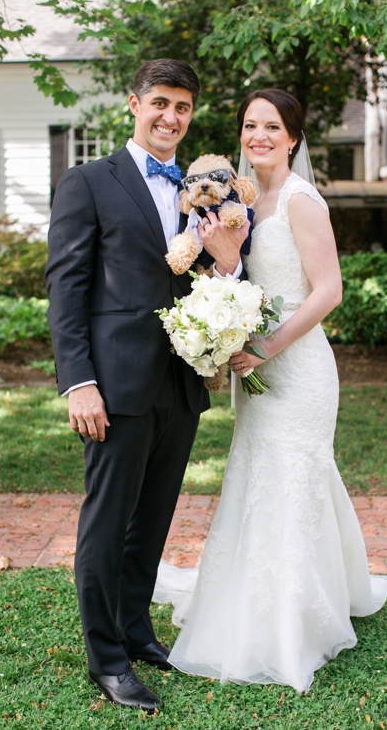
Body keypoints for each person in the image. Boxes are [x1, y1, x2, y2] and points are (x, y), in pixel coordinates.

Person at [153, 88, 387, 692]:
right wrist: (223, 298)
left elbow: (327, 291)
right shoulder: (239, 201)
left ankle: (293, 620)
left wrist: (267, 346)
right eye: (250, 125)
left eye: (272, 127)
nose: (259, 135)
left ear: (292, 137)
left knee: (292, 474)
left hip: (300, 366)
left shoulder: (303, 202)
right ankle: (264, 593)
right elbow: (239, 277)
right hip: (252, 365)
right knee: (259, 473)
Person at [45, 59, 250, 711]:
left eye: (183, 107)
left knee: (153, 518)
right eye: (160, 103)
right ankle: (105, 658)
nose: (170, 117)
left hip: (179, 380)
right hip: (112, 381)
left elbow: (204, 276)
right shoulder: (88, 182)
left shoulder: (204, 189)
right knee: (107, 523)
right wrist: (78, 381)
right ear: (135, 103)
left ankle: (135, 628)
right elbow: (66, 288)